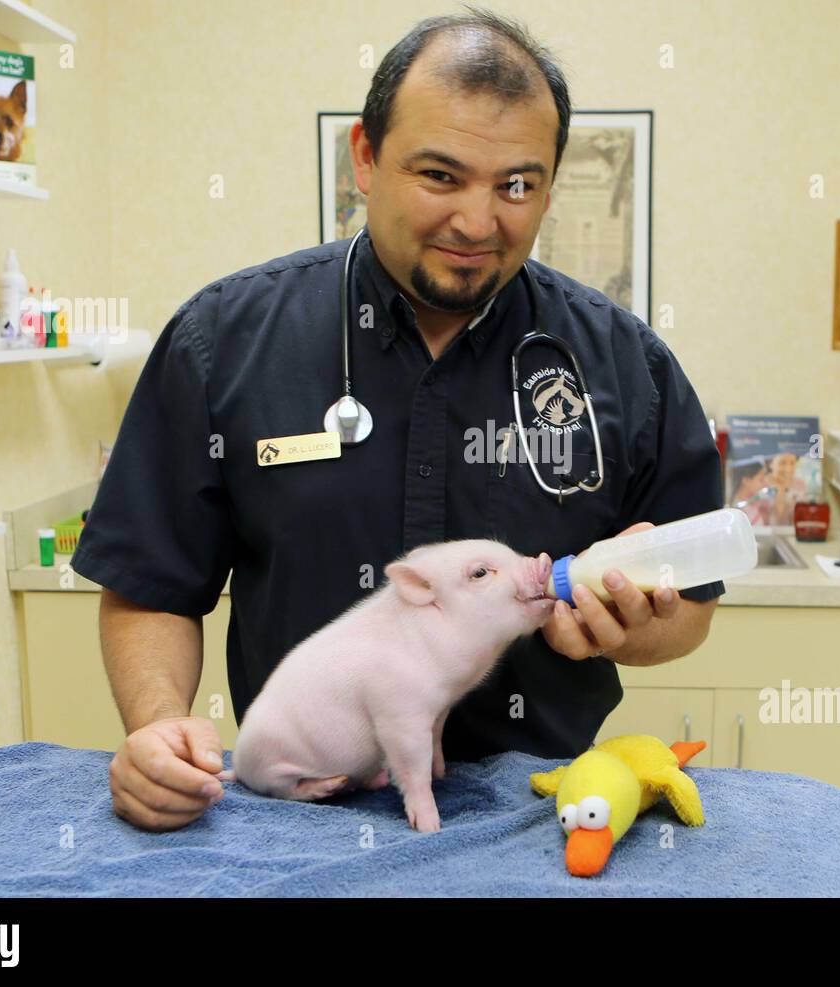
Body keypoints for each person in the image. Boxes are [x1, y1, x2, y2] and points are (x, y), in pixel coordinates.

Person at [71, 7, 725, 832]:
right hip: (304, 812)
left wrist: (635, 630)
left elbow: (692, 604)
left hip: (545, 820)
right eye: (441, 176)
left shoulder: (628, 367)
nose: (478, 222)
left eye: (517, 184)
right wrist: (158, 723)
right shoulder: (225, 342)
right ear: (366, 157)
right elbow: (151, 585)